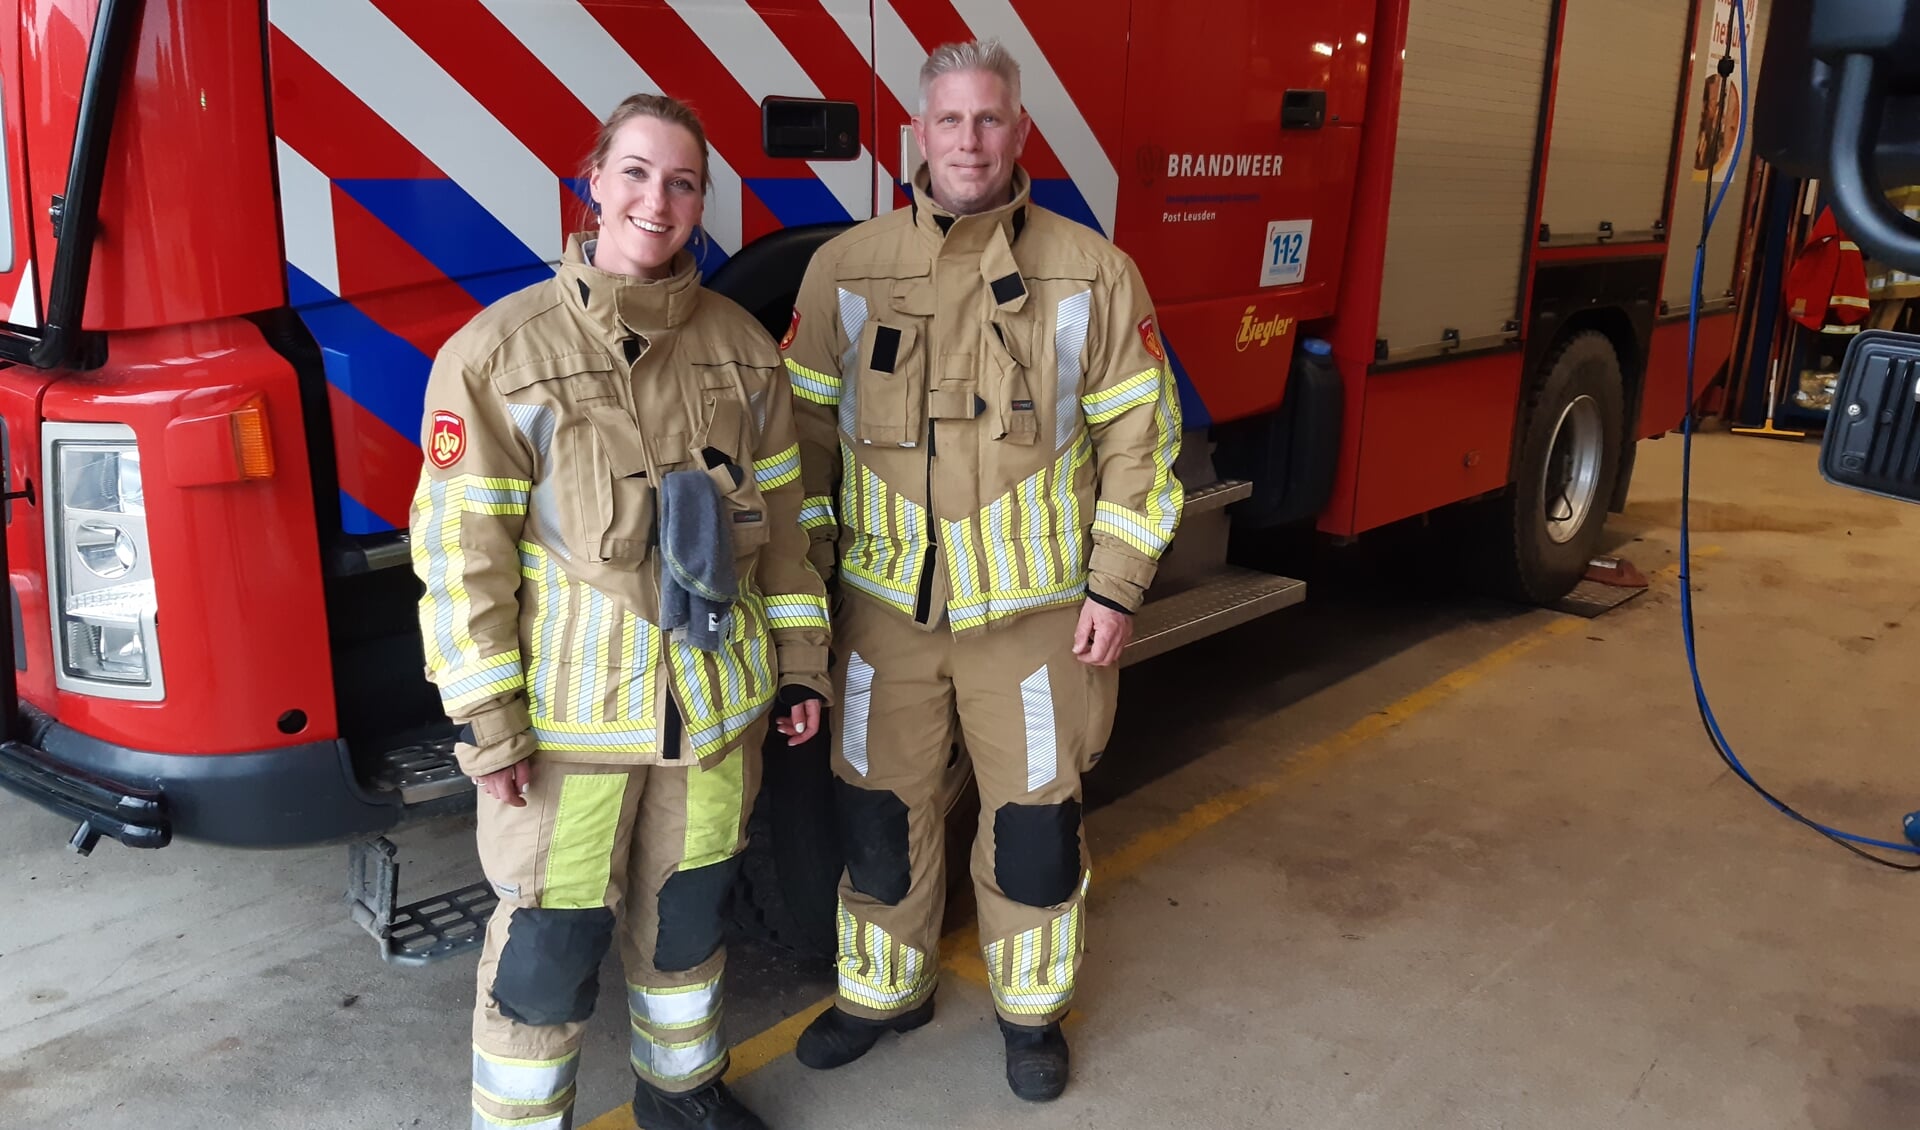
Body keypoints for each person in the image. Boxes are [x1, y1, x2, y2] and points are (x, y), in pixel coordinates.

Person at [411, 93, 830, 1130]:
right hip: (569, 734)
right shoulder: (499, 354)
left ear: (701, 203)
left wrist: (803, 662)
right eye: (635, 173)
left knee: (688, 921)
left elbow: (781, 527)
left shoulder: (743, 350)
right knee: (548, 952)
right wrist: (488, 721)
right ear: (592, 182)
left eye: (682, 182)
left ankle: (680, 1088)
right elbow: (461, 559)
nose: (658, 198)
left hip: (716, 716)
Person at [781, 38, 1183, 1102]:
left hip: (1039, 618)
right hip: (881, 612)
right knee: (875, 811)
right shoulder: (844, 271)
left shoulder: (1092, 273)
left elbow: (1145, 443)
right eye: (949, 120)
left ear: (1020, 132)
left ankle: (1031, 1011)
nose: (969, 140)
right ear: (917, 133)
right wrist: (808, 596)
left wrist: (1114, 585)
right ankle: (883, 990)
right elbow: (800, 448)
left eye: (989, 119)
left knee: (1037, 826)